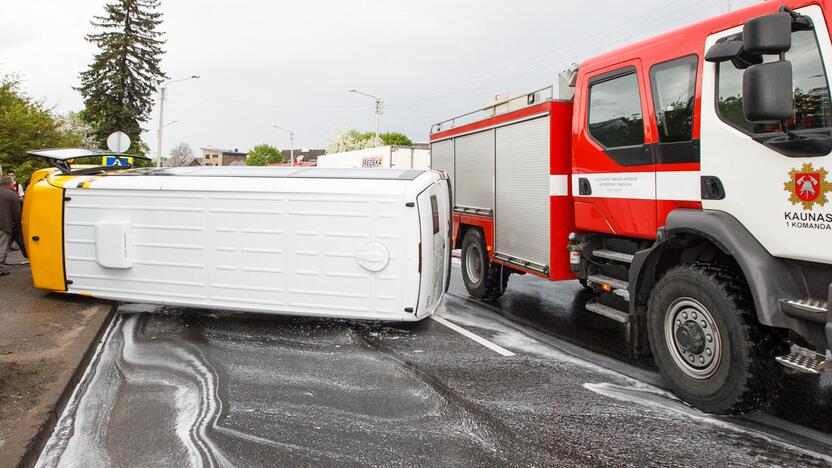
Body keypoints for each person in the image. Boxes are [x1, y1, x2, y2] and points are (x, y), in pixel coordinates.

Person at [0, 176, 22, 276]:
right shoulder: (12, 195)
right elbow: (16, 213)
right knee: (1, 247)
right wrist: (19, 226)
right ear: (10, 184)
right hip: (4, 225)